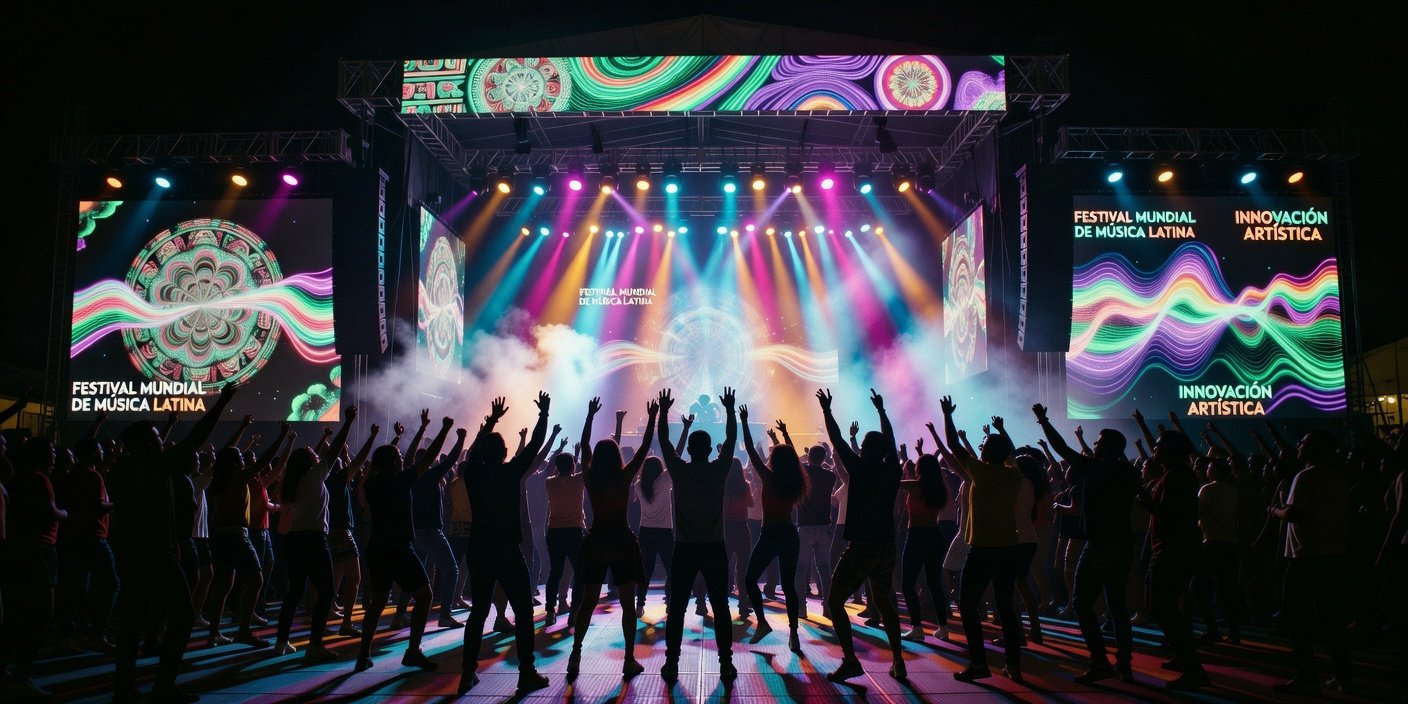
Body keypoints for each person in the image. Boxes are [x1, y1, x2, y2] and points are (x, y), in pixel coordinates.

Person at [110, 383, 236, 704]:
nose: (160, 441)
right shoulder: (155, 466)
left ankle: (124, 689)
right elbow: (198, 435)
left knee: (133, 623)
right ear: (144, 444)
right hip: (157, 554)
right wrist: (222, 401)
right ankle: (163, 686)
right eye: (155, 437)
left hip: (130, 554)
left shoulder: (122, 468)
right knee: (181, 617)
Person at [1032, 403, 1139, 684]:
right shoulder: (1128, 473)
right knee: (1117, 605)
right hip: (1123, 543)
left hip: (1100, 544)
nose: (1094, 444)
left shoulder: (1096, 470)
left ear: (1108, 448)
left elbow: (1062, 448)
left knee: (1080, 602)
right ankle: (1124, 664)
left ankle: (1099, 660)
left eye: (1099, 441)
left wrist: (1044, 420)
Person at [458, 393, 552, 696]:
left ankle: (467, 673)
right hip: (507, 549)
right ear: (505, 451)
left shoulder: (472, 473)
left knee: (478, 612)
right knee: (523, 611)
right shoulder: (511, 472)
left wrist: (491, 420)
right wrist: (543, 414)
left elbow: (471, 455)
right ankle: (526, 674)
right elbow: (536, 444)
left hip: (479, 548)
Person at [565, 397, 659, 680]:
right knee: (628, 605)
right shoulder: (624, 476)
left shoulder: (591, 477)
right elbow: (643, 450)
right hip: (621, 541)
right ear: (617, 457)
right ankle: (629, 659)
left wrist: (590, 417)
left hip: (595, 541)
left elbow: (584, 451)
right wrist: (653, 417)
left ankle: (576, 653)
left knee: (588, 602)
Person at [354, 413, 454, 673]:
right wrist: (444, 431)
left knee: (376, 603)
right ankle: (412, 651)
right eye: (398, 458)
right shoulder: (400, 481)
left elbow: (402, 459)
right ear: (393, 464)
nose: (402, 460)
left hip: (378, 547)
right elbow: (429, 458)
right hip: (399, 547)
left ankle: (363, 655)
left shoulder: (373, 484)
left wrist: (399, 438)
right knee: (425, 595)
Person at [820, 387, 906, 682]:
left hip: (862, 547)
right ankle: (898, 660)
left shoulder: (859, 468)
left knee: (834, 602)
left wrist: (827, 410)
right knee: (885, 603)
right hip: (886, 546)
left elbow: (837, 439)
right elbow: (891, 441)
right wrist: (882, 411)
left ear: (865, 450)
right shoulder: (893, 469)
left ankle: (851, 660)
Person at [656, 387, 739, 684]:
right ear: (709, 448)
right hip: (714, 546)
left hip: (685, 547)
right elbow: (730, 441)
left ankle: (672, 662)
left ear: (689, 450)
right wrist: (730, 411)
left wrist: (664, 412)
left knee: (677, 607)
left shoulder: (679, 470)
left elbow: (664, 442)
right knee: (721, 605)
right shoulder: (719, 471)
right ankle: (726, 663)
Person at [939, 396, 1024, 683]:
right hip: (1008, 549)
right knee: (1005, 607)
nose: (981, 448)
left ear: (986, 455)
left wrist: (948, 416)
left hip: (983, 550)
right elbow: (1011, 454)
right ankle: (1013, 665)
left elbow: (953, 446)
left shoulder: (981, 471)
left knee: (967, 605)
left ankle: (979, 663)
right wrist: (1002, 433)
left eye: (984, 446)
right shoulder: (1014, 474)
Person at [1268, 430, 1352, 694]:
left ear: (1312, 449)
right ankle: (1343, 677)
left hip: (1305, 556)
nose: (1299, 445)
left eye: (1303, 442)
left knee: (1296, 620)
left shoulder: (1306, 476)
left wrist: (1275, 510)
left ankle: (1306, 676)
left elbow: (1294, 514)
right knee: (1332, 622)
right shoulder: (1338, 476)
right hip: (1334, 555)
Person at [273, 408, 359, 660]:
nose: (316, 452)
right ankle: (315, 645)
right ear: (309, 462)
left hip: (294, 540)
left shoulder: (292, 482)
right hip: (312, 539)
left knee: (295, 592)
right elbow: (334, 451)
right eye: (312, 453)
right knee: (326, 592)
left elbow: (327, 452)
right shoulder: (315, 475)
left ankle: (281, 641)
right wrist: (349, 421)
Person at [204, 421, 291, 649]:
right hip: (237, 536)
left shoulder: (218, 480)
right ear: (234, 464)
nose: (244, 461)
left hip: (220, 536)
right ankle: (243, 630)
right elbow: (264, 461)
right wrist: (281, 437)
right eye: (241, 459)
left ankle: (214, 633)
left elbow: (231, 455)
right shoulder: (237, 478)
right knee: (256, 579)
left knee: (223, 584)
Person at [1137, 429, 1210, 689]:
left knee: (1158, 606)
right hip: (1175, 548)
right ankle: (1184, 657)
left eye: (1158, 447)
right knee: (1167, 605)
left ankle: (1192, 667)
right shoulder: (1176, 474)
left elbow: (1168, 513)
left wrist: (1142, 497)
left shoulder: (1177, 476)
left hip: (1172, 549)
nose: (1154, 451)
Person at [738, 408, 808, 650]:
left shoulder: (769, 478)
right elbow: (796, 460)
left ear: (774, 461)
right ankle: (793, 634)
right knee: (788, 585)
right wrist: (786, 435)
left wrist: (744, 422)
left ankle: (762, 622)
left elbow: (749, 448)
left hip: (770, 533)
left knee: (749, 580)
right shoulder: (795, 480)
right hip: (790, 533)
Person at [897, 450, 950, 644]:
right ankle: (943, 628)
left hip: (917, 535)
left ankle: (917, 627)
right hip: (934, 535)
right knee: (934, 582)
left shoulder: (915, 486)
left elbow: (895, 483)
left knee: (908, 583)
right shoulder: (939, 488)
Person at [1195, 456, 1243, 645]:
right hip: (1230, 542)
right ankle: (1234, 631)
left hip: (1211, 542)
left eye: (1210, 467)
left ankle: (1212, 630)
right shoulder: (1232, 490)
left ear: (1215, 471)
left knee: (1199, 588)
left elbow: (1197, 512)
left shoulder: (1207, 489)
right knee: (1226, 589)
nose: (1207, 469)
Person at [542, 428, 582, 628]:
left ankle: (550, 610)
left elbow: (550, 469)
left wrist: (562, 452)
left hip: (554, 532)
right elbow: (586, 468)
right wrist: (578, 454)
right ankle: (574, 611)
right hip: (574, 531)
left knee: (555, 571)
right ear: (573, 466)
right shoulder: (577, 481)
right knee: (579, 572)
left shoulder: (549, 483)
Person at [795, 444, 835, 620]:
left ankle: (801, 608)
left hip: (805, 526)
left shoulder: (803, 472)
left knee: (801, 569)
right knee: (824, 569)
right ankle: (827, 607)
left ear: (809, 456)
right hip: (823, 526)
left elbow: (794, 460)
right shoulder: (830, 476)